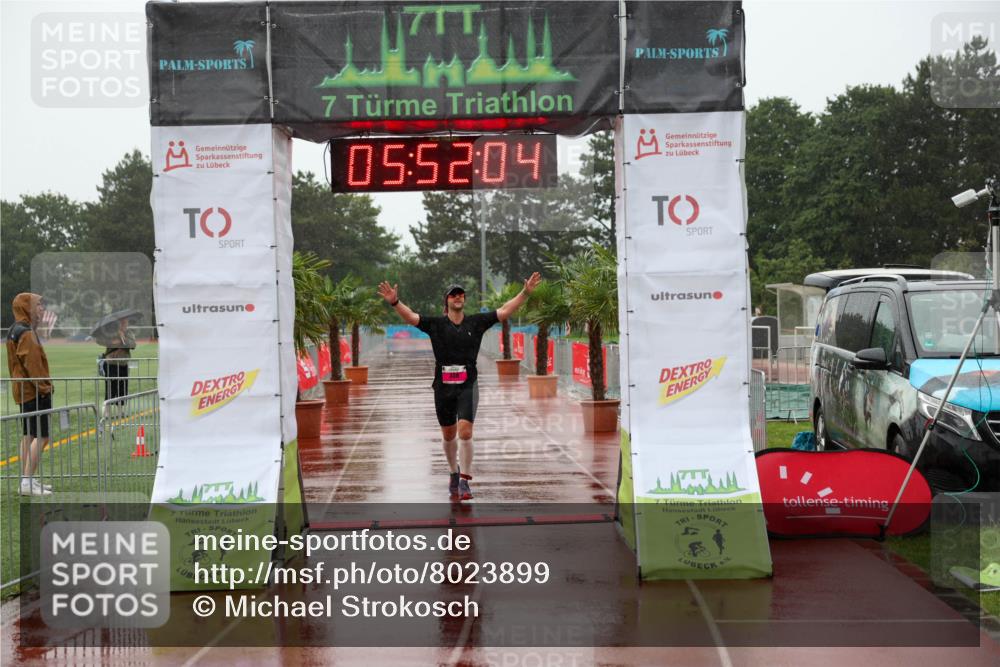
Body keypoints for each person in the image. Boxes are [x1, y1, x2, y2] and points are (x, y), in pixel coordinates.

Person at [378, 274, 541, 501]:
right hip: (443, 388)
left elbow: (504, 311)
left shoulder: (476, 322)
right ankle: (453, 472)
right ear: (447, 301)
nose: (458, 297)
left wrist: (525, 293)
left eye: (461, 294)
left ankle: (465, 480)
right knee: (449, 435)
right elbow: (412, 317)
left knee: (465, 432)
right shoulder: (436, 325)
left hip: (467, 384)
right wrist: (395, 302)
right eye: (453, 294)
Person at [6, 293, 53, 496]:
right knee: (42, 436)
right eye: (38, 305)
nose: (41, 309)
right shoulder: (26, 333)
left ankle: (27, 479)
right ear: (27, 308)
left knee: (29, 435)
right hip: (34, 392)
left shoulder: (16, 330)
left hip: (24, 390)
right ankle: (26, 481)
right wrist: (44, 387)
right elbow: (33, 365)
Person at [94, 316, 136, 410]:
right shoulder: (111, 333)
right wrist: (115, 340)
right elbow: (99, 341)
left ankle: (121, 412)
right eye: (122, 323)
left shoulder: (129, 333)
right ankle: (106, 412)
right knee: (110, 388)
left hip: (123, 364)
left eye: (126, 323)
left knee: (122, 388)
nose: (124, 325)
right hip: (110, 364)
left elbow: (133, 345)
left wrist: (122, 338)